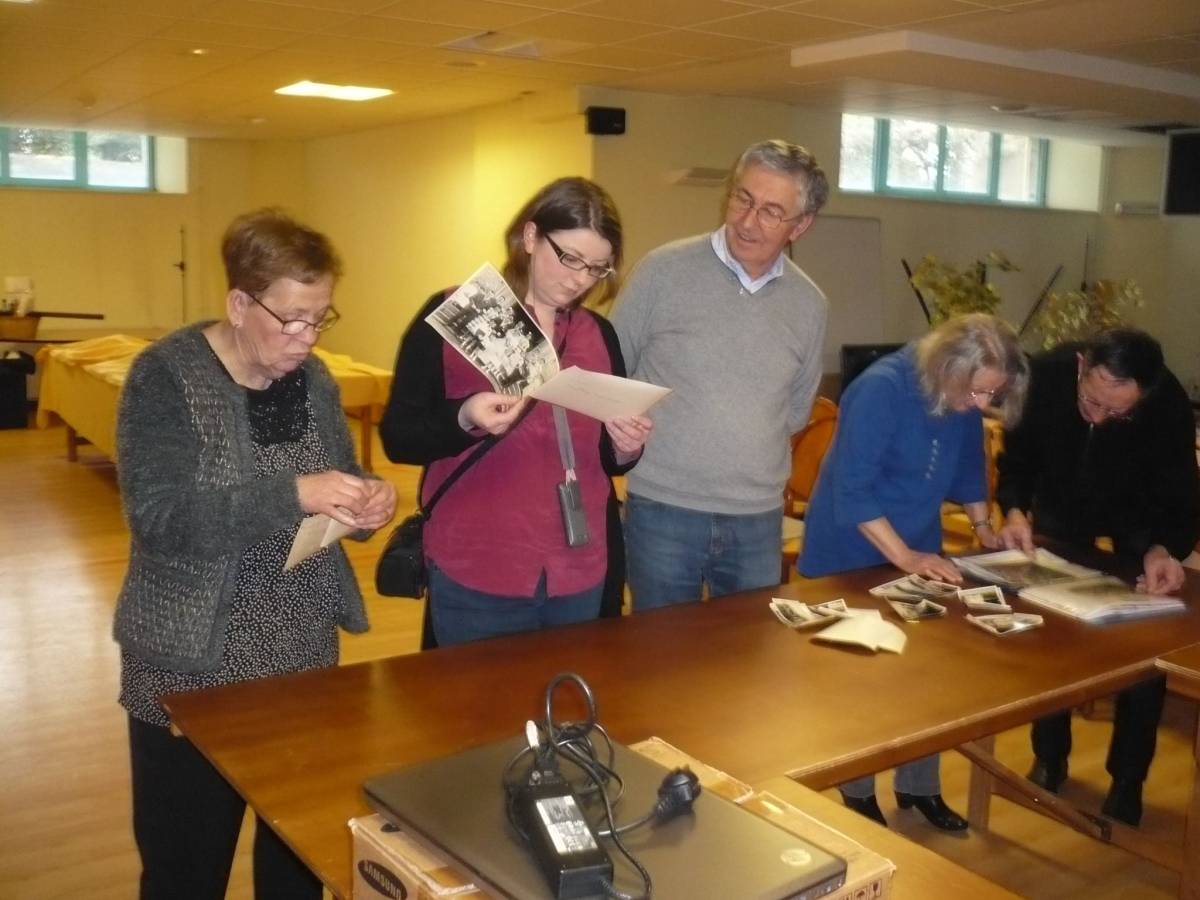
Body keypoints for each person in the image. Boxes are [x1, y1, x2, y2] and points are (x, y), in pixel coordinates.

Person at [113, 208, 397, 900]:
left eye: (320, 318)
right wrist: (294, 493)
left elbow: (335, 479)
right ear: (240, 304)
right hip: (192, 670)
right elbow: (159, 518)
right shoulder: (166, 377)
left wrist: (366, 502)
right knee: (185, 871)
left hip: (302, 659)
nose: (307, 338)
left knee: (299, 863)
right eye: (291, 319)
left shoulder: (315, 379)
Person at [379, 177, 651, 647]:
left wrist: (627, 447)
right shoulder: (462, 313)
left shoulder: (597, 334)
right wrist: (465, 416)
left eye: (597, 268)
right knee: (477, 696)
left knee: (566, 692)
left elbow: (607, 459)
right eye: (569, 258)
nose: (580, 279)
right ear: (529, 237)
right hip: (479, 566)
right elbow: (399, 437)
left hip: (578, 568)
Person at [799, 313, 1030, 831]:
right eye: (976, 392)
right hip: (848, 552)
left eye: (990, 395)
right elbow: (853, 490)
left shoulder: (962, 394)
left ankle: (919, 787)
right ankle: (857, 789)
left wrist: (984, 528)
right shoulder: (880, 389)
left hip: (915, 546)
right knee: (859, 677)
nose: (980, 404)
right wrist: (905, 557)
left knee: (924, 678)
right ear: (948, 368)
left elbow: (969, 466)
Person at [995, 328, 1200, 826]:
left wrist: (1163, 549)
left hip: (1135, 516)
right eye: (1090, 402)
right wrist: (1015, 510)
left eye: (1117, 412)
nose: (1099, 418)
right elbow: (1017, 457)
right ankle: (1049, 757)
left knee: (1145, 649)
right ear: (1082, 366)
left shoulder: (1166, 402)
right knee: (1050, 637)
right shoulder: (1044, 377)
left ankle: (1128, 781)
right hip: (1062, 509)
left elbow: (1181, 494)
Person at [613, 139, 829, 609]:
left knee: (748, 651)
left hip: (757, 519)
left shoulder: (809, 305)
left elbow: (795, 410)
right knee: (661, 647)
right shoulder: (662, 272)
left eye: (771, 212)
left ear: (801, 225)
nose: (748, 221)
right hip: (663, 509)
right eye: (743, 199)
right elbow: (612, 370)